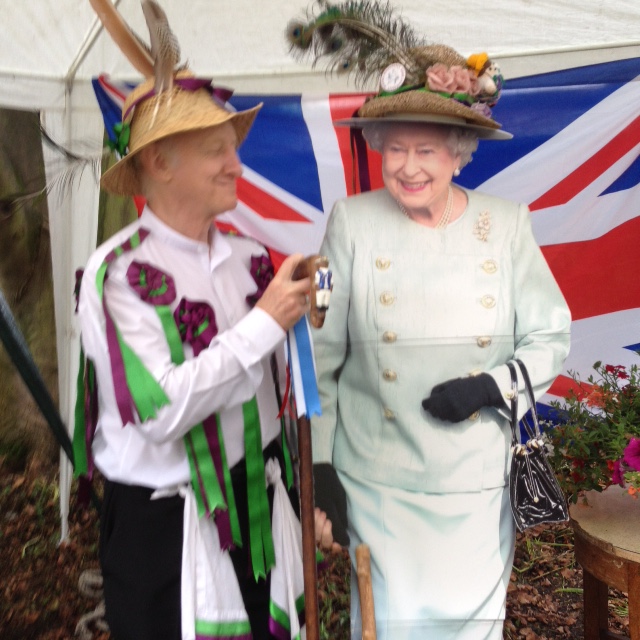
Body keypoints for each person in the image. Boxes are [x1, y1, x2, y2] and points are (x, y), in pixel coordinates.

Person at [74, 33, 337, 640]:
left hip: (259, 501)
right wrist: (264, 321)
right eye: (217, 151)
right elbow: (161, 412)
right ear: (159, 162)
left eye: (232, 149)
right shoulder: (118, 276)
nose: (236, 166)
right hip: (167, 525)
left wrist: (300, 309)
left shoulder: (250, 258)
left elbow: (275, 390)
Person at [309, 42, 572, 639]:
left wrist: (490, 386)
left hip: (473, 485)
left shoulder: (507, 225)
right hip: (378, 480)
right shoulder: (350, 223)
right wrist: (321, 467)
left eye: (426, 150)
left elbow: (549, 334)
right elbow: (319, 351)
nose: (408, 167)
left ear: (458, 153)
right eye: (396, 148)